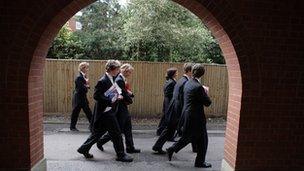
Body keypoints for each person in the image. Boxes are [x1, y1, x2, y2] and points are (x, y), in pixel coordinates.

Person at [77, 60, 133, 162]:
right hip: (106, 112)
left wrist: (118, 95)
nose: (119, 71)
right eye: (117, 69)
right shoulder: (103, 80)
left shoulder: (112, 78)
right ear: (112, 69)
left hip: (108, 110)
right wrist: (111, 99)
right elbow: (96, 96)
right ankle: (121, 155)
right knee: (116, 133)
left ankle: (83, 148)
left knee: (98, 133)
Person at [166, 64, 212, 168]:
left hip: (187, 115)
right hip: (196, 118)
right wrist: (206, 92)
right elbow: (208, 103)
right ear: (202, 74)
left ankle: (172, 149)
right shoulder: (198, 87)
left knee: (188, 138)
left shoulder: (188, 83)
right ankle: (199, 162)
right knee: (203, 140)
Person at [96, 63, 141, 153]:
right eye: (130, 72)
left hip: (122, 106)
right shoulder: (119, 79)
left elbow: (124, 91)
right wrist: (130, 98)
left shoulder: (121, 79)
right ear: (125, 71)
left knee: (128, 127)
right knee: (118, 129)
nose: (130, 74)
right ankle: (101, 141)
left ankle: (130, 147)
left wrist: (129, 94)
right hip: (120, 107)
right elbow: (123, 93)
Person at [152, 63, 193, 154]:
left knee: (170, 129)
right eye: (192, 71)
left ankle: (158, 146)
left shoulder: (181, 80)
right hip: (176, 110)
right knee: (171, 129)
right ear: (189, 71)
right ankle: (161, 147)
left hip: (174, 109)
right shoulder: (185, 81)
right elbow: (181, 98)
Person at [70, 62, 92, 131]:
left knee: (88, 112)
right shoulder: (79, 77)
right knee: (75, 113)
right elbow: (80, 89)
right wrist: (87, 86)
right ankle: (72, 127)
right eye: (86, 68)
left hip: (82, 98)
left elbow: (83, 87)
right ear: (83, 68)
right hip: (78, 98)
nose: (87, 69)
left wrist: (86, 85)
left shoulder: (83, 76)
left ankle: (92, 126)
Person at [156, 67, 178, 136]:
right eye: (176, 72)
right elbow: (168, 93)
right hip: (169, 101)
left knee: (165, 116)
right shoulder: (171, 82)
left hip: (167, 101)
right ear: (173, 74)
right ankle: (164, 132)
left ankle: (160, 131)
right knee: (168, 117)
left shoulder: (170, 81)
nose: (177, 73)